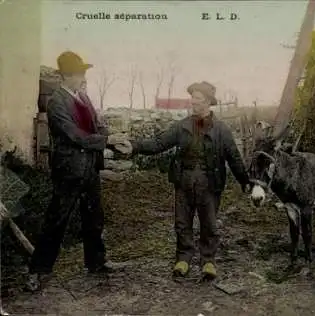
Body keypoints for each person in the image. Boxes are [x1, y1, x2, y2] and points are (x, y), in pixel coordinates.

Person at [114, 81, 250, 280]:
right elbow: (159, 143)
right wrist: (134, 146)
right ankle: (183, 257)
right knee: (182, 223)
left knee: (209, 224)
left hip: (209, 182)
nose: (193, 102)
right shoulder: (182, 126)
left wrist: (244, 180)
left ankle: (208, 261)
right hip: (184, 180)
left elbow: (234, 157)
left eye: (198, 98)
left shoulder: (221, 130)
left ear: (208, 102)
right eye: (192, 97)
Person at [26, 51, 127, 291]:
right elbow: (74, 135)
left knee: (94, 217)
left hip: (90, 168)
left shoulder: (84, 98)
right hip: (68, 171)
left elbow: (97, 125)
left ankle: (96, 262)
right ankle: (37, 271)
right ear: (66, 76)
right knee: (57, 221)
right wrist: (106, 141)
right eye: (79, 73)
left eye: (83, 73)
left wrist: (113, 137)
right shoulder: (56, 102)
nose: (83, 78)